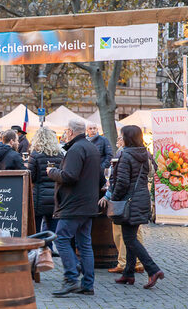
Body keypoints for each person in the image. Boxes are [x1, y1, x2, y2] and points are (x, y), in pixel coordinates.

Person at [47, 119, 103, 297]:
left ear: (70, 131)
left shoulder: (76, 149)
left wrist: (52, 173)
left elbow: (70, 176)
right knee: (84, 243)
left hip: (74, 204)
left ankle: (71, 278)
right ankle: (87, 284)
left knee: (61, 238)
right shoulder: (91, 147)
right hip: (88, 203)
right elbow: (101, 178)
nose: (65, 134)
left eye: (65, 131)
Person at [109, 125, 164, 289]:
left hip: (129, 200)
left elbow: (123, 182)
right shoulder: (143, 153)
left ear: (128, 137)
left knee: (130, 239)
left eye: (122, 135)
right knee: (130, 236)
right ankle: (128, 273)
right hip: (141, 198)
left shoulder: (126, 155)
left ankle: (153, 269)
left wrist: (114, 198)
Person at [102, 134, 144, 274]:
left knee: (121, 233)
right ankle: (136, 264)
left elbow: (118, 181)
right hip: (139, 198)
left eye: (120, 138)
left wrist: (111, 197)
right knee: (135, 233)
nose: (118, 140)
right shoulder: (143, 153)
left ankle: (124, 263)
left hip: (124, 200)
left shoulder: (122, 154)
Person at [27, 127, 63, 243]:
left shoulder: (35, 155)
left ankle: (38, 253)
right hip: (55, 196)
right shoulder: (60, 155)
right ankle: (49, 252)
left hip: (38, 197)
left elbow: (31, 177)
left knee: (36, 229)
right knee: (52, 230)